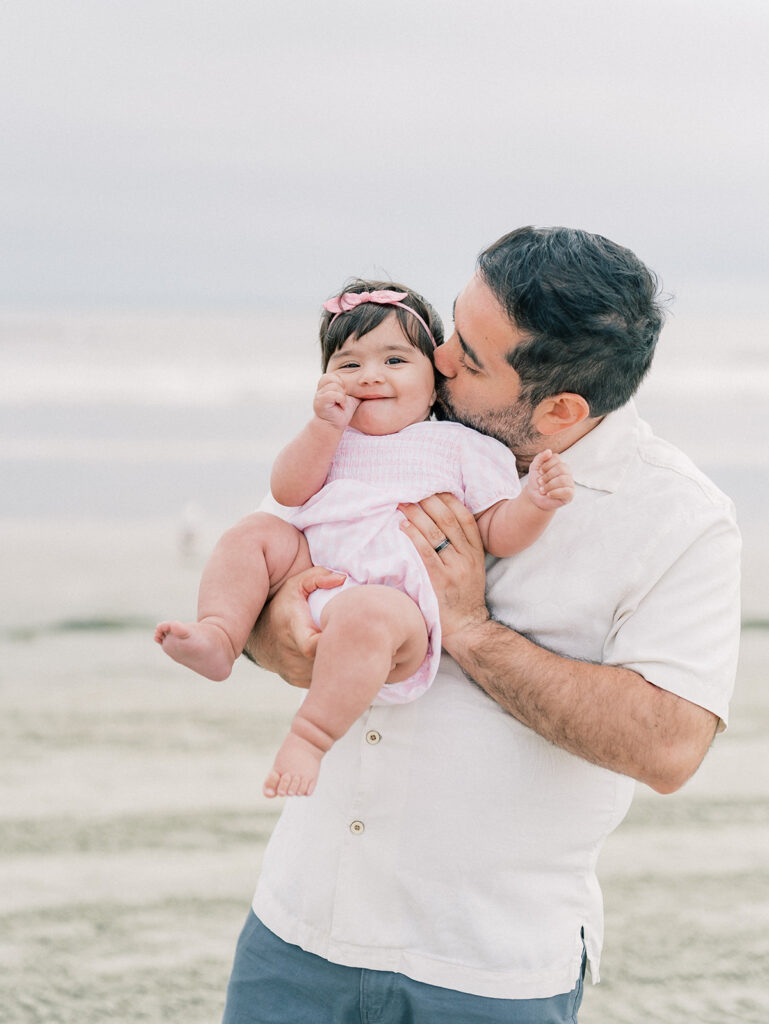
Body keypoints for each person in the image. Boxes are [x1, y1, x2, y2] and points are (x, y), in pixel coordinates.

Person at [222, 228, 741, 1024]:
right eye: (453, 328)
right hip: (298, 932)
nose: (438, 355)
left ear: (560, 408)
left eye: (469, 353)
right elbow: (269, 572)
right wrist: (275, 630)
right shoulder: (388, 427)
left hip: (487, 970)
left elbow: (667, 747)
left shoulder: (678, 519)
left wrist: (467, 628)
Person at [155, 280, 574, 800]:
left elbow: (495, 532)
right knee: (252, 533)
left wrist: (534, 504)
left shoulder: (460, 447)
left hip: (398, 602)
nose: (370, 376)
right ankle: (220, 635)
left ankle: (309, 738)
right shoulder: (330, 439)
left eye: (395, 361)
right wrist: (323, 429)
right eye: (348, 365)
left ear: (435, 382)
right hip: (312, 567)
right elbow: (287, 490)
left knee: (366, 615)